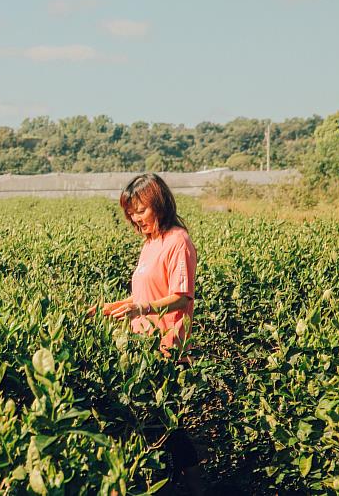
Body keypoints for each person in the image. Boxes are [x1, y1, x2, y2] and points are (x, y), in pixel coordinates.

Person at [86, 173, 204, 495]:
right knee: (152, 426)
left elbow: (182, 296)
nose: (135, 219)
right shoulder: (150, 243)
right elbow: (144, 296)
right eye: (131, 213)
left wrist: (141, 310)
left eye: (141, 210)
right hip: (142, 352)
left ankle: (197, 489)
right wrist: (114, 307)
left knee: (171, 430)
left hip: (166, 350)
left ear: (159, 204)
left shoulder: (177, 241)